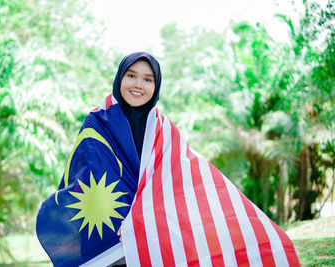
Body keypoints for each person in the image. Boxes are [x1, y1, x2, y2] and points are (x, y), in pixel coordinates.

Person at [37, 52, 300, 267]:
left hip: (152, 229)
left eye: (148, 79)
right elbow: (93, 174)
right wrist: (124, 218)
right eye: (131, 76)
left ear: (156, 85)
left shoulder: (162, 127)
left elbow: (180, 175)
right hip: (109, 230)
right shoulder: (98, 122)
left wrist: (144, 217)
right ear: (119, 78)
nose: (138, 85)